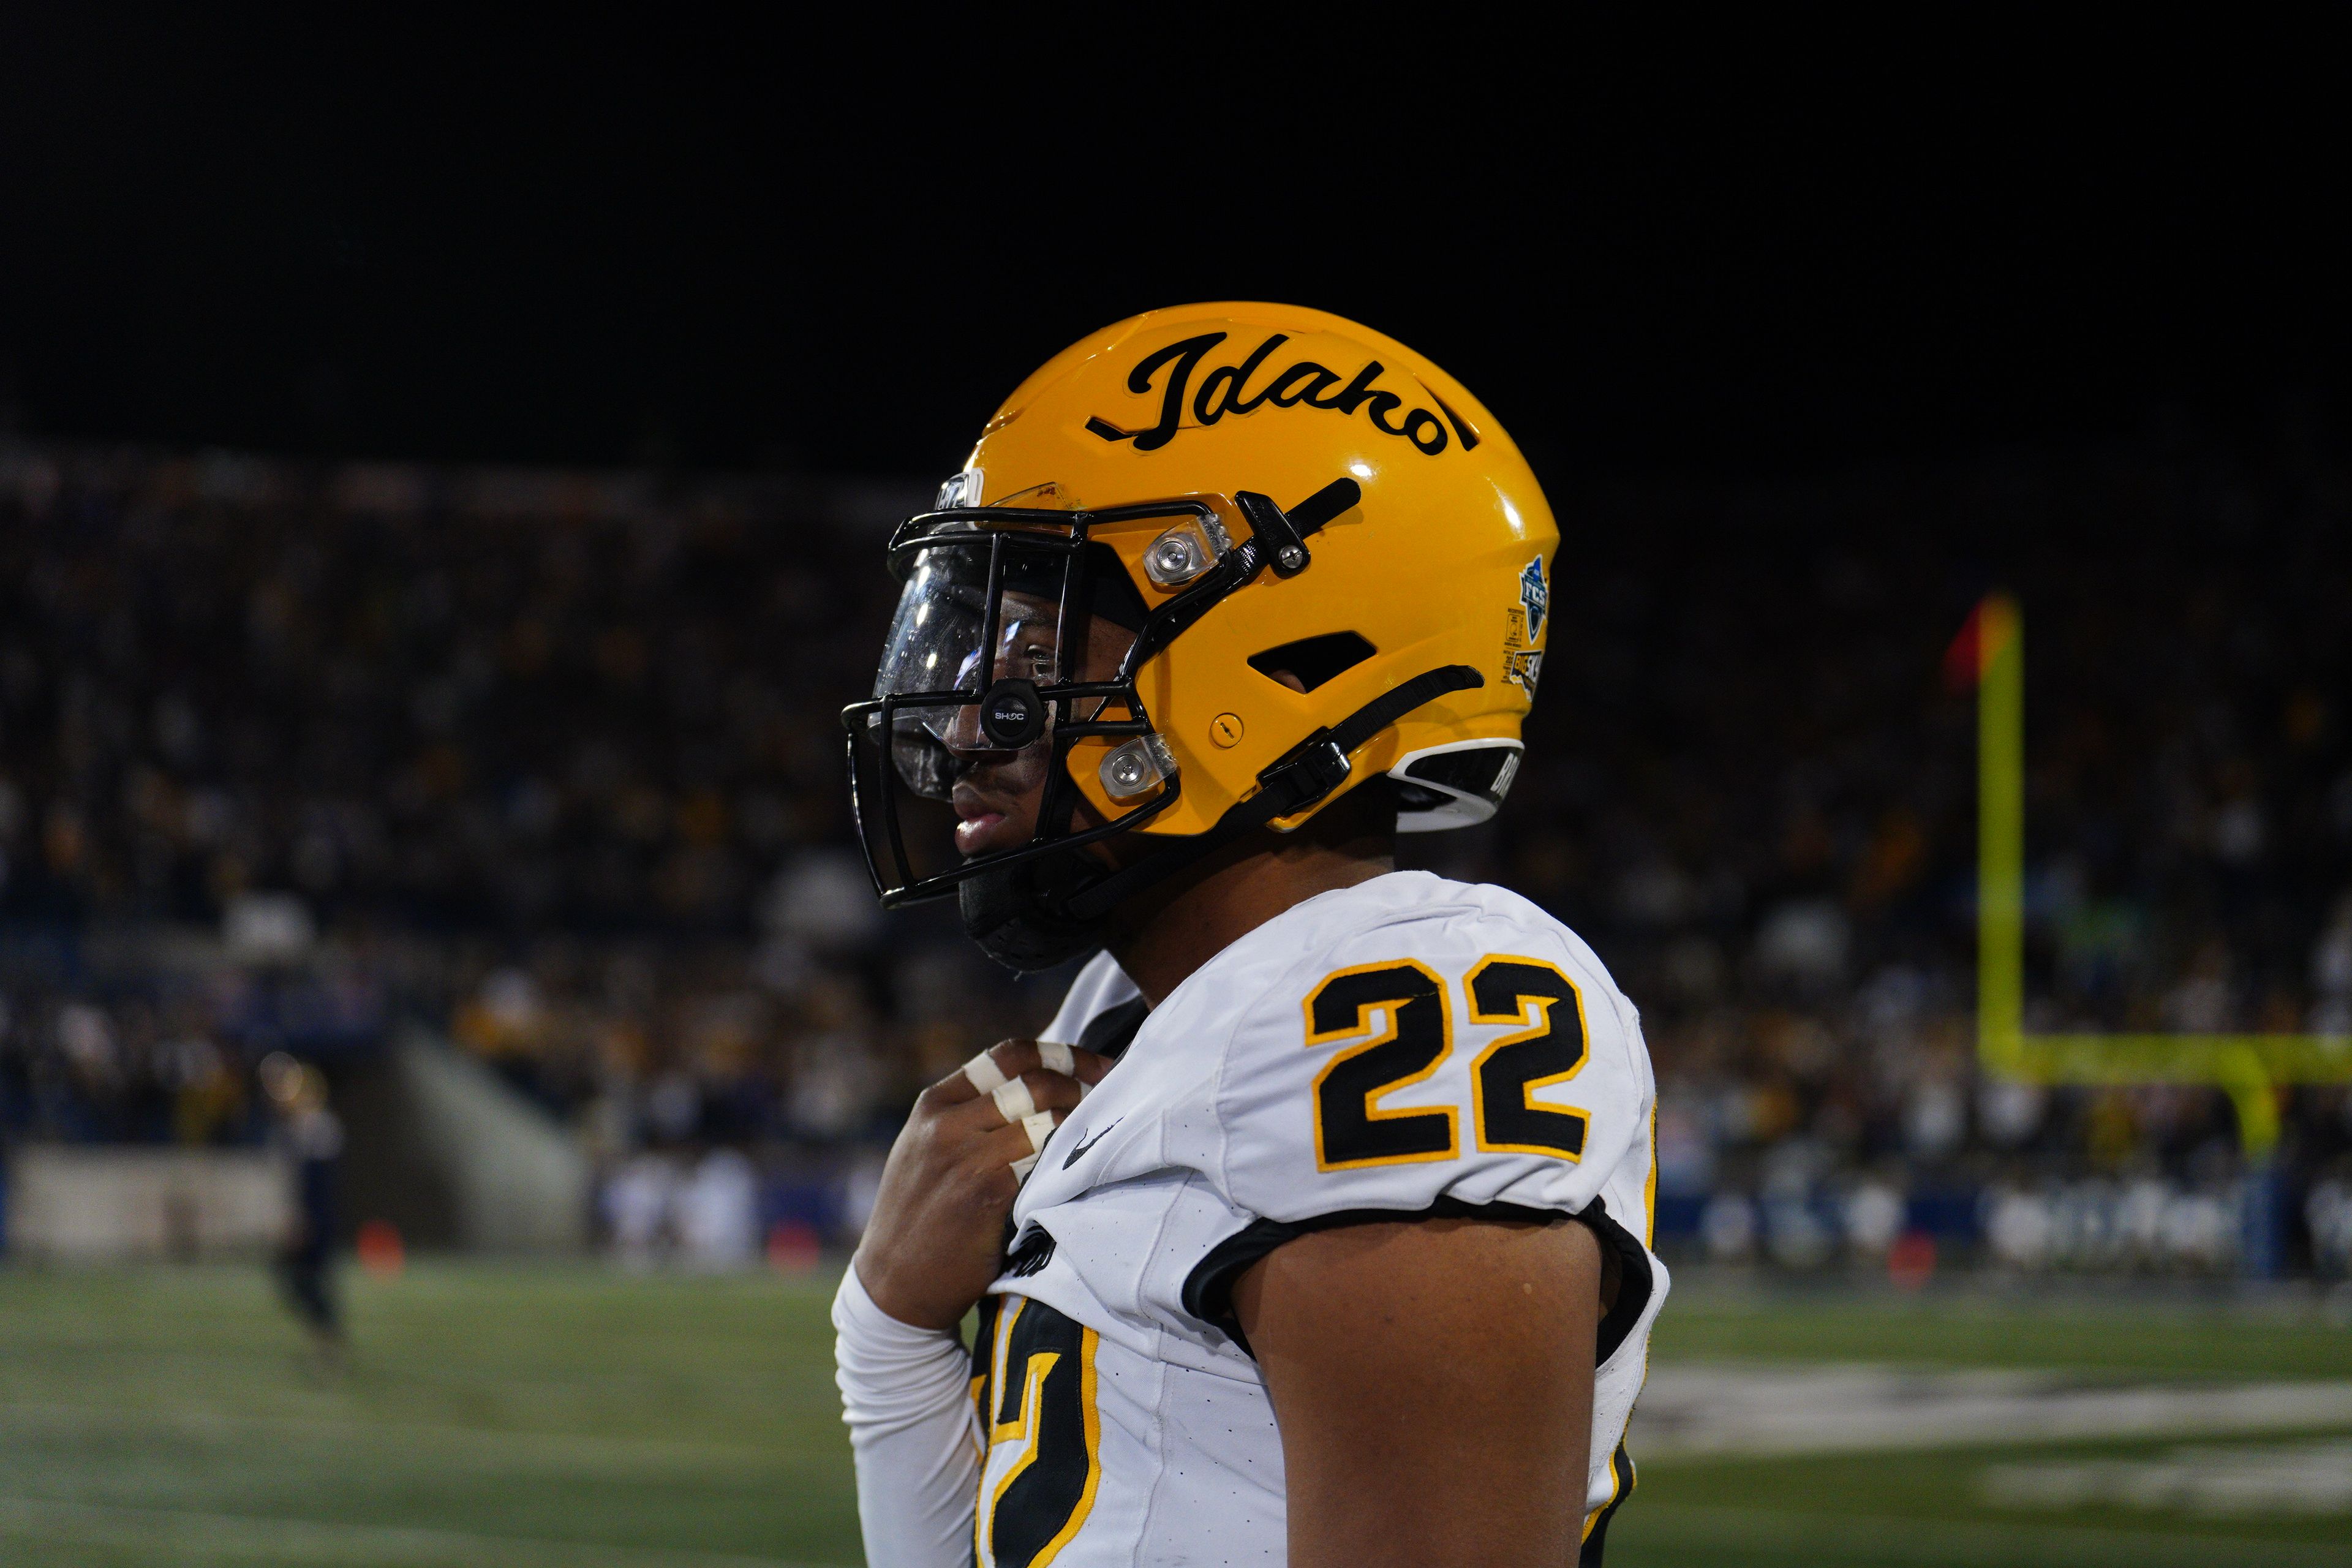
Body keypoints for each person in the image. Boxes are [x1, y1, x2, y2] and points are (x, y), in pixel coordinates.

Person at [833, 304, 1665, 1567]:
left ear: (1281, 656)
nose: (961, 730)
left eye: (1037, 645)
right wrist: (886, 1337)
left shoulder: (1406, 1006)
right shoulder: (1135, 1012)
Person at [261, 1052, 345, 1360]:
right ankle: (325, 1336)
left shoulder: (320, 1127)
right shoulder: (293, 1129)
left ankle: (328, 1339)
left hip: (316, 1215)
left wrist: (305, 1220)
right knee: (298, 1278)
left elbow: (317, 1184)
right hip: (306, 1214)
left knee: (309, 1277)